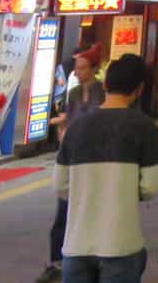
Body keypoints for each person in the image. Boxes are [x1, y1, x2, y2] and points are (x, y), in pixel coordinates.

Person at [56, 55, 158, 283]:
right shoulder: (145, 128)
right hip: (120, 242)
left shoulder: (75, 127)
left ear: (105, 85)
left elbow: (61, 186)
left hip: (76, 244)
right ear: (139, 89)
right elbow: (150, 186)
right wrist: (119, 191)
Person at [39, 48, 105, 283]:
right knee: (63, 211)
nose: (77, 72)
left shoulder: (104, 92)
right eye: (76, 68)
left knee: (90, 211)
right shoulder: (74, 92)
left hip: (96, 160)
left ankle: (91, 260)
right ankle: (56, 261)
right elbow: (71, 116)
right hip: (73, 156)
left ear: (95, 69)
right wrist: (61, 123)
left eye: (83, 67)